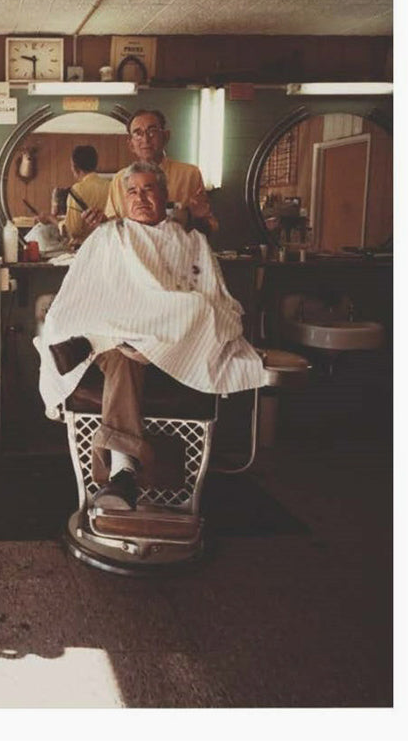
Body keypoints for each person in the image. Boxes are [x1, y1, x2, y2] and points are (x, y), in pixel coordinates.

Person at [38, 161, 266, 512]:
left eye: (148, 190)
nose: (140, 197)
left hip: (174, 343)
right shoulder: (108, 236)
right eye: (132, 191)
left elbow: (214, 299)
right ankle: (123, 471)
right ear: (123, 198)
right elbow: (81, 296)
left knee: (190, 312)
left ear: (164, 195)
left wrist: (163, 330)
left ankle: (123, 473)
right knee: (120, 357)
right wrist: (114, 329)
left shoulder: (189, 241)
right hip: (117, 339)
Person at [78, 109, 218, 241]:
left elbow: (210, 228)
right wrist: (101, 222)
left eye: (152, 131)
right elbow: (113, 226)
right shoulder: (120, 179)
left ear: (165, 136)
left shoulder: (189, 175)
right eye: (138, 133)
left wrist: (197, 220)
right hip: (134, 257)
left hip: (176, 255)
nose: (145, 139)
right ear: (131, 144)